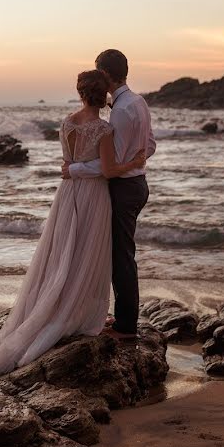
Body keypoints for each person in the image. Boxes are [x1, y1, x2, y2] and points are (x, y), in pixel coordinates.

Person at [0, 68, 146, 379]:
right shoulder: (103, 130)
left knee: (62, 251)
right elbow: (109, 171)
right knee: (85, 253)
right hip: (94, 196)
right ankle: (78, 311)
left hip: (67, 195)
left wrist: (73, 168)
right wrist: (134, 163)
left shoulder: (66, 123)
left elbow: (69, 163)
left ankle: (52, 303)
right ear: (103, 94)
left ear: (81, 92)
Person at [65, 49, 156, 339]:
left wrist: (74, 169)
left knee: (121, 257)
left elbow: (109, 166)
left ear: (104, 74)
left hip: (124, 187)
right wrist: (136, 161)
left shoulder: (120, 110)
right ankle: (120, 317)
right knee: (123, 252)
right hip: (138, 184)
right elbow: (150, 146)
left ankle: (126, 325)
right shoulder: (139, 102)